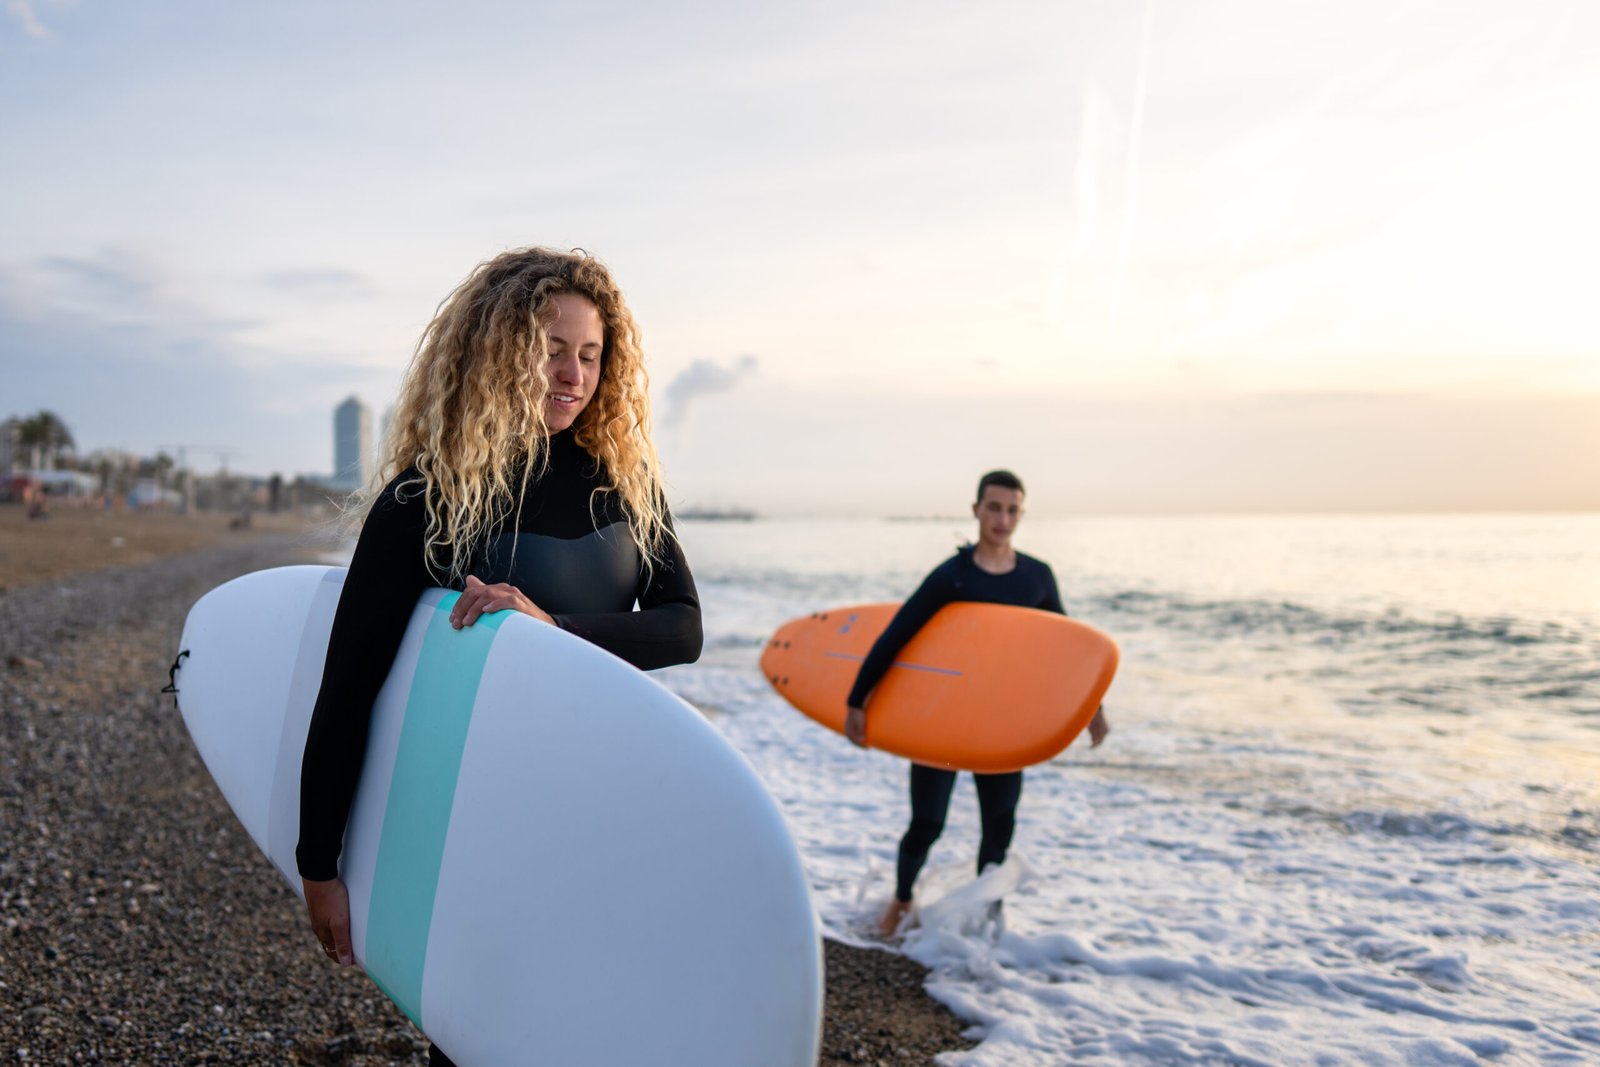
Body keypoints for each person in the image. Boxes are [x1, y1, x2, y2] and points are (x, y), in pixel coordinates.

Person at [295, 247, 703, 1066]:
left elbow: (682, 627)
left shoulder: (622, 483)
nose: (573, 373)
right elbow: (350, 687)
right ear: (501, 347)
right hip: (479, 814)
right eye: (552, 347)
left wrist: (551, 627)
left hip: (599, 796)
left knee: (584, 1023)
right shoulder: (426, 496)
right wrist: (319, 863)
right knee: (480, 1031)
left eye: (591, 355)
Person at [845, 469, 1109, 938]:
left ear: (1021, 514)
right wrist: (856, 700)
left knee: (999, 826)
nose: (1002, 519)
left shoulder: (1037, 577)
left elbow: (1067, 652)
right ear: (976, 510)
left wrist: (1094, 708)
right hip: (943, 722)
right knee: (927, 823)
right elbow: (897, 635)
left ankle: (987, 919)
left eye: (1012, 510)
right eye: (994, 508)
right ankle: (902, 901)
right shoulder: (953, 576)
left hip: (1003, 724)